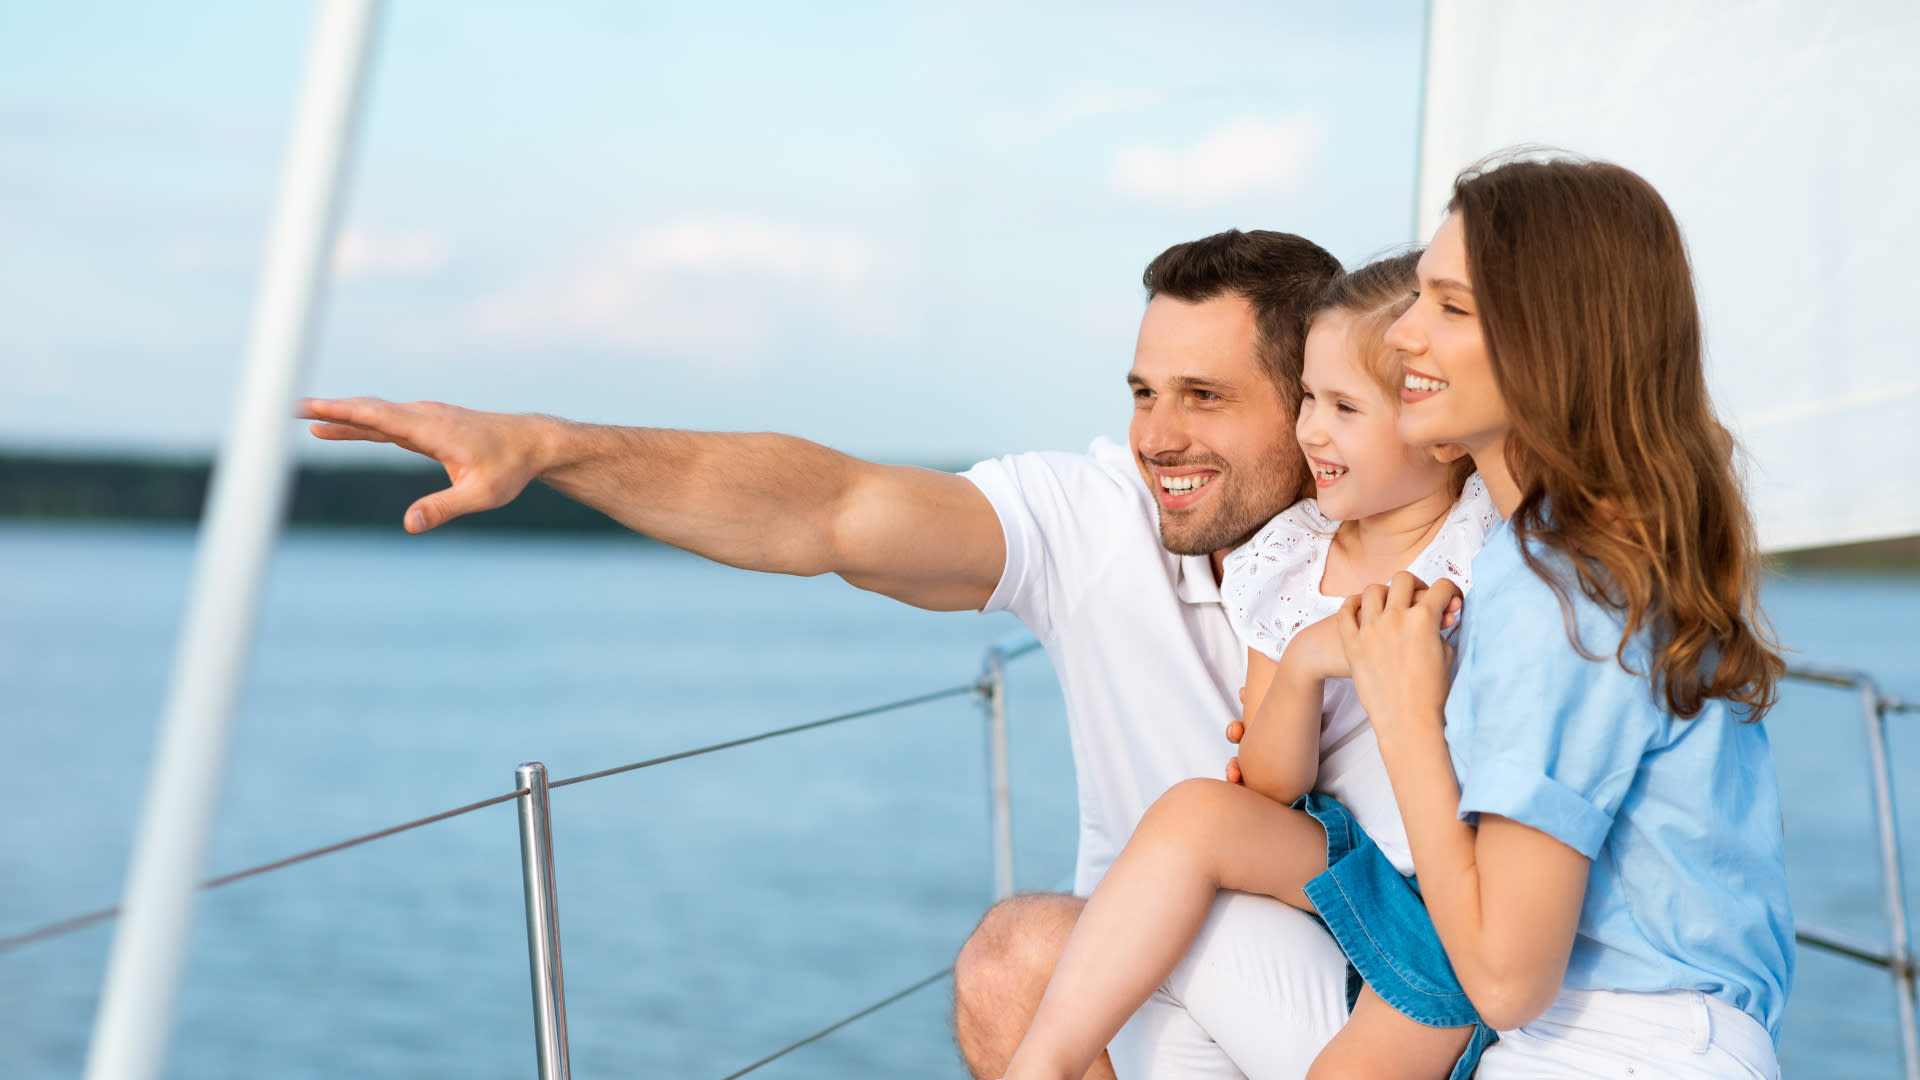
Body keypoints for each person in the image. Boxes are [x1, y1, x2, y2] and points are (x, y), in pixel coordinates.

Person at [300, 229, 1358, 1079]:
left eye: (1204, 396)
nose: (1158, 437)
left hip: (1354, 1017)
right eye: (1143, 392)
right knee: (1015, 960)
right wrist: (547, 448)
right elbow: (831, 510)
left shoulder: (1410, 571)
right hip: (1153, 990)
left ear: (1311, 408)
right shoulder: (1099, 521)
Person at [1339, 155, 1794, 1077]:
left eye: (1451, 308)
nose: (1402, 334)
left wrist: (1404, 717)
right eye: (1419, 296)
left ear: (1555, 342)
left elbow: (1507, 978)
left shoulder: (1562, 582)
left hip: (1615, 1048)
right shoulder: (1595, 553)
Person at [998, 252, 1501, 1080]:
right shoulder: (1289, 559)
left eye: (1345, 407)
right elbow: (1267, 784)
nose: (1312, 432)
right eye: (1308, 398)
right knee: (1195, 811)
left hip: (1459, 889)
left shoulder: (1489, 535)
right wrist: (1304, 663)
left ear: (1442, 430)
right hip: (1351, 864)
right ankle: (1043, 1065)